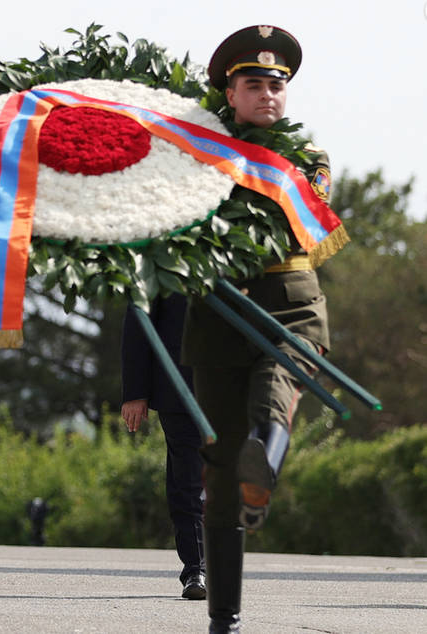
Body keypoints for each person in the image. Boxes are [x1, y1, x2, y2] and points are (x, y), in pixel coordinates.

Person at [181, 26, 333, 633]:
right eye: (254, 84)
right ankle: (225, 617)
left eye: (276, 84)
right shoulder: (193, 154)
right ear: (229, 93)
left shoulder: (306, 161)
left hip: (290, 306)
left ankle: (261, 469)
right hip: (217, 316)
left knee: (277, 392)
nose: (267, 93)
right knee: (216, 468)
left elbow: (304, 227)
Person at [120, 293, 205, 600]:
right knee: (189, 481)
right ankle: (197, 569)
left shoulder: (242, 249)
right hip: (178, 385)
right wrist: (135, 391)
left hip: (232, 387)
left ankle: (221, 564)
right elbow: (139, 317)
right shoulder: (158, 251)